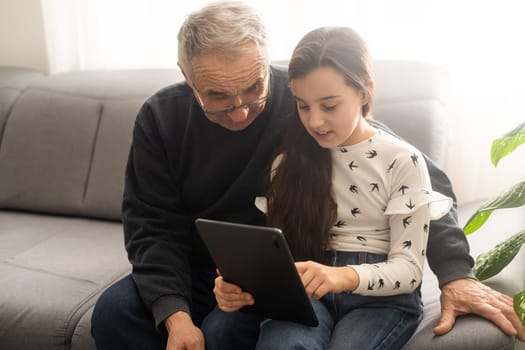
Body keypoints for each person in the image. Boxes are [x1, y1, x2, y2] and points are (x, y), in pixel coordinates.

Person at [90, 1, 525, 350]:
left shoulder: (305, 102)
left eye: (252, 89)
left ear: (265, 64)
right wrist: (175, 315)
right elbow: (151, 224)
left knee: (234, 331)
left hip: (285, 274)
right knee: (114, 314)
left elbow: (422, 182)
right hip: (204, 273)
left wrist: (455, 274)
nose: (240, 110)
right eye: (218, 97)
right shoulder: (160, 118)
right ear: (186, 77)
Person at [214, 25, 455, 350]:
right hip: (311, 294)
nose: (314, 121)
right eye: (303, 105)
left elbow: (410, 270)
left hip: (381, 300)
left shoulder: (402, 160)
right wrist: (237, 285)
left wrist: (341, 277)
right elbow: (281, 255)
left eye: (329, 106)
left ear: (365, 91)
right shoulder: (287, 163)